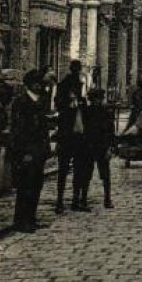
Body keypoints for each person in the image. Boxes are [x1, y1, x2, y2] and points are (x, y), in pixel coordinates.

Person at [10, 70, 51, 232]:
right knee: (25, 186)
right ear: (29, 84)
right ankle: (21, 221)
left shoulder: (40, 101)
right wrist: (23, 152)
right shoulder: (21, 102)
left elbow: (43, 128)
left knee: (36, 185)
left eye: (40, 82)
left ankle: (31, 217)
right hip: (27, 151)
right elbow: (18, 130)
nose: (39, 85)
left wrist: (46, 148)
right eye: (35, 82)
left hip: (38, 150)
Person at [55, 60, 85, 214]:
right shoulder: (64, 84)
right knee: (63, 168)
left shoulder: (80, 84)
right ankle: (60, 200)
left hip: (78, 134)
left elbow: (83, 106)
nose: (77, 72)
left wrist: (80, 102)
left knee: (78, 168)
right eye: (76, 69)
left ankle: (75, 199)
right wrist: (69, 103)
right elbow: (58, 105)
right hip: (66, 134)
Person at [79, 88, 115, 209]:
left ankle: (107, 199)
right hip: (88, 147)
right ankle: (83, 199)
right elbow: (82, 131)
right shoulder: (86, 112)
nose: (97, 102)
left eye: (99, 99)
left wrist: (110, 147)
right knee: (86, 174)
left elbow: (111, 131)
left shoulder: (107, 112)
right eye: (94, 99)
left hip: (102, 147)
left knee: (105, 175)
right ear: (91, 100)